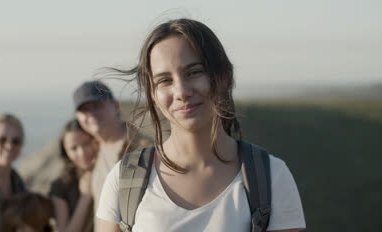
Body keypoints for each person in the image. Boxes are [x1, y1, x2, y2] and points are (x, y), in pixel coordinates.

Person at [95, 19, 306, 232]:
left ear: (223, 77)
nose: (181, 92)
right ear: (153, 93)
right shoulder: (125, 180)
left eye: (194, 72)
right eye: (164, 80)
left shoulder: (271, 177)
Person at [73, 80, 152, 213]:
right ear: (78, 117)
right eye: (84, 109)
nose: (91, 113)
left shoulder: (144, 149)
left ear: (115, 106)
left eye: (97, 105)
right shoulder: (91, 152)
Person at [49, 120, 97, 232]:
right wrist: (86, 196)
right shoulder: (60, 186)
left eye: (86, 144)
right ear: (65, 152)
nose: (82, 153)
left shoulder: (111, 171)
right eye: (73, 148)